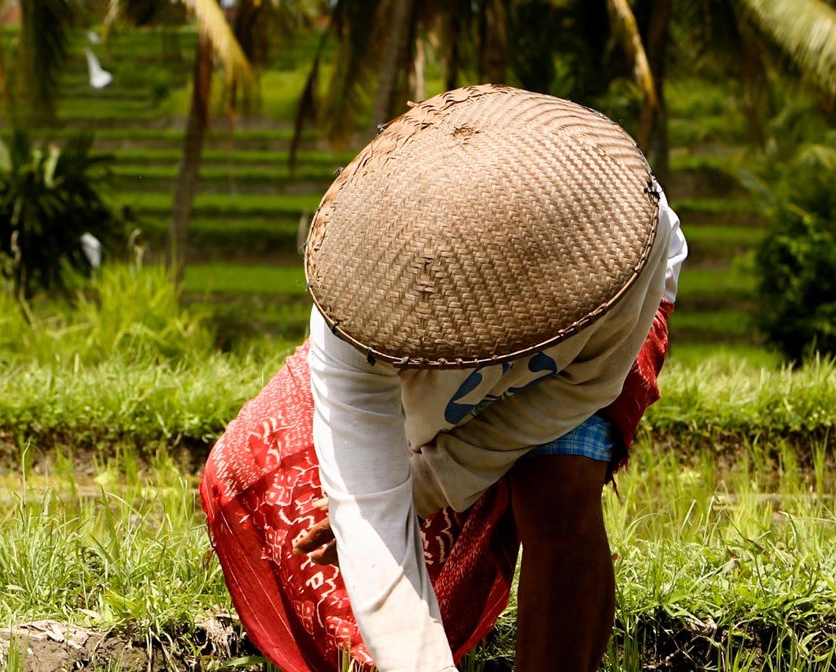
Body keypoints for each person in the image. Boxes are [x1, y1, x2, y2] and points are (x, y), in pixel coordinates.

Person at [199, 85, 687, 672]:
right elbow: (369, 515)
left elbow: (577, 389)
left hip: (594, 325)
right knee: (252, 474)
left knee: (556, 487)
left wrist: (432, 479)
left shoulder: (621, 255)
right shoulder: (354, 319)